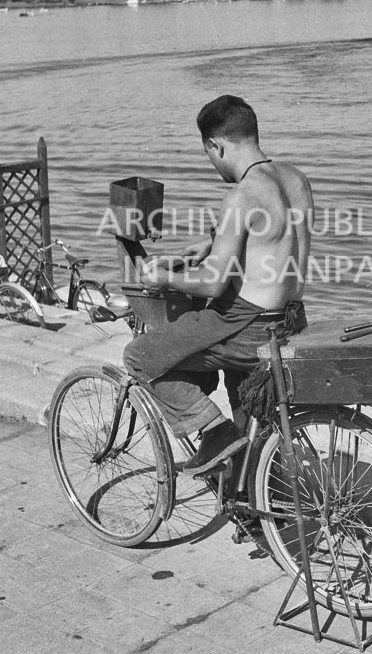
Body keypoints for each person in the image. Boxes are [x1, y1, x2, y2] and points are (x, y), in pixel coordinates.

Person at [122, 95, 313, 475]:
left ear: (216, 145)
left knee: (139, 356)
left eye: (208, 153)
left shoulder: (241, 195)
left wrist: (165, 278)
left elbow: (212, 284)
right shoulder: (296, 178)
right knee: (242, 393)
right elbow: (273, 235)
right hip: (290, 319)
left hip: (247, 326)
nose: (211, 162)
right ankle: (250, 486)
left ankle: (215, 432)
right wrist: (212, 243)